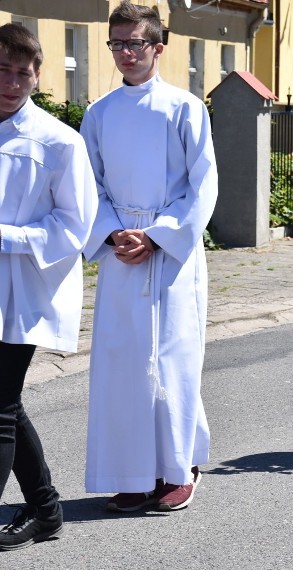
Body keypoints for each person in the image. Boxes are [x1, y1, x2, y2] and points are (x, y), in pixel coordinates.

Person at [81, 1, 218, 511]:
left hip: (171, 255)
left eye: (136, 43)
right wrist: (115, 233)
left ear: (159, 47)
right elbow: (88, 187)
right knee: (124, 362)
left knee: (174, 359)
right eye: (117, 43)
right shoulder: (98, 114)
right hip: (121, 254)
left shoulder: (185, 107)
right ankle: (134, 472)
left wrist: (157, 235)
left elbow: (202, 185)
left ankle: (180, 467)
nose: (126, 53)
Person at [0, 23, 97, 549]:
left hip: (23, 291)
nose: (12, 83)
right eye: (3, 70)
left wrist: (6, 238)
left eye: (24, 74)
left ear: (37, 78)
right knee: (6, 403)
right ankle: (46, 509)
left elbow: (74, 226)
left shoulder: (59, 142)